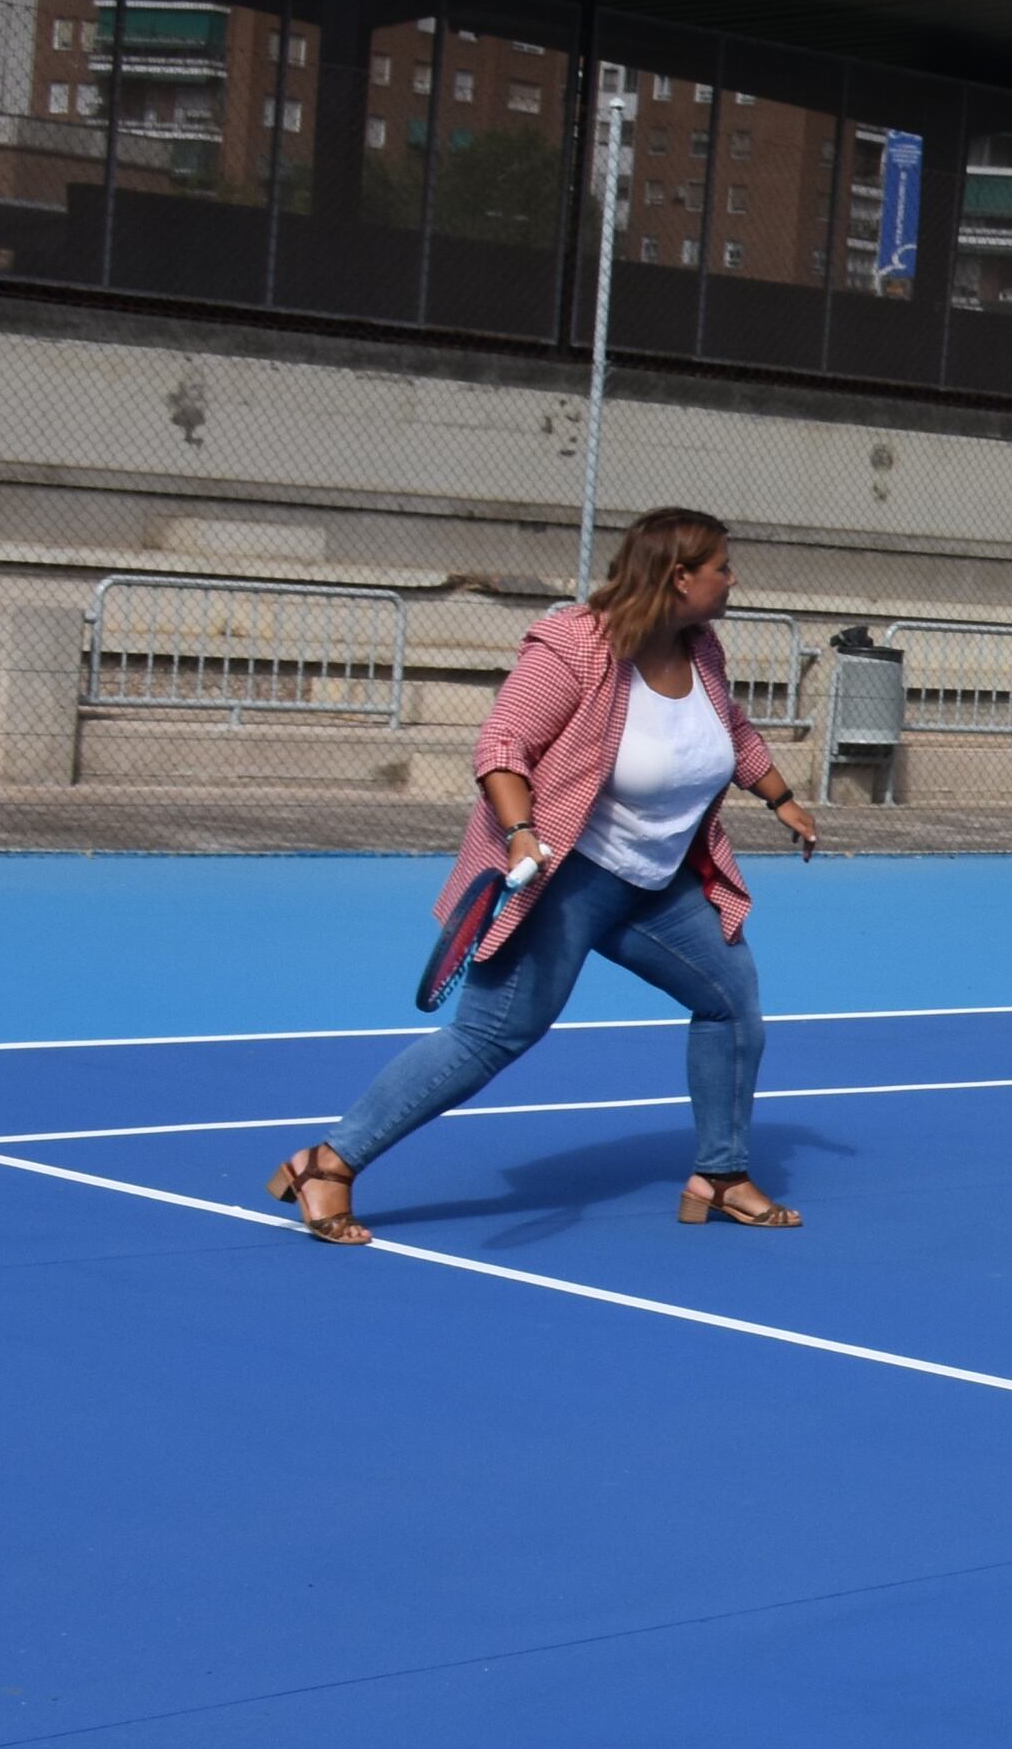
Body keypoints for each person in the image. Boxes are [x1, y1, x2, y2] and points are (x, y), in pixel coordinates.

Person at [270, 509, 821, 1243]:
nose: (733, 577)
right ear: (679, 576)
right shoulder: (576, 644)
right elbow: (502, 743)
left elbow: (734, 731)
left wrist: (782, 798)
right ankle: (328, 1162)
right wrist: (521, 830)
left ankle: (719, 1175)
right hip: (568, 875)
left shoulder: (702, 649)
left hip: (656, 882)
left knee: (730, 998)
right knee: (489, 1037)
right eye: (722, 565)